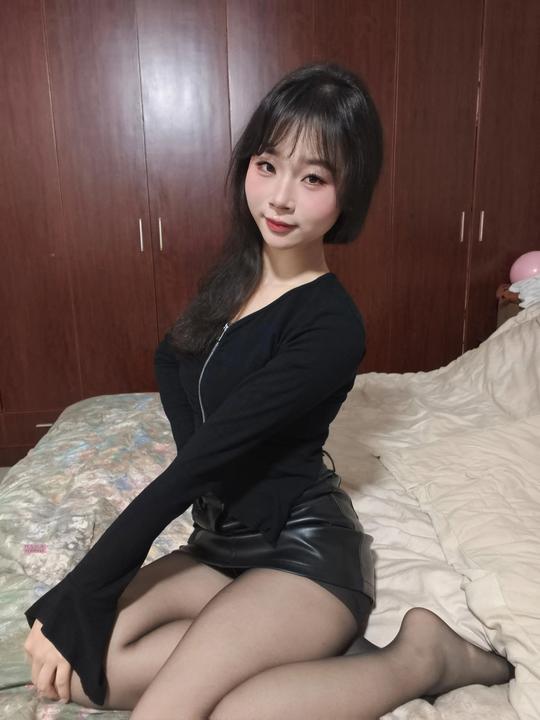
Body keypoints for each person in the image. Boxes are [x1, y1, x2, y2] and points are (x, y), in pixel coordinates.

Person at [23, 62, 513, 720]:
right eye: (267, 165)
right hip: (218, 546)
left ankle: (420, 656)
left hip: (302, 554)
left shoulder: (330, 325)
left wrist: (80, 588)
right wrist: (79, 605)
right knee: (72, 674)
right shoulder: (233, 278)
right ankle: (289, 652)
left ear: (348, 193)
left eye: (313, 178)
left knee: (214, 711)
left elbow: (200, 462)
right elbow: (179, 378)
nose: (280, 198)